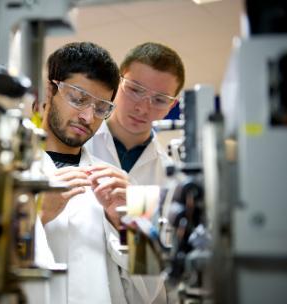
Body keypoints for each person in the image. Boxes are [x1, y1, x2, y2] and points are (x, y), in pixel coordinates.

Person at [84, 42, 186, 303]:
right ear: (118, 82)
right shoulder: (80, 150)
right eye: (135, 90)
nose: (143, 107)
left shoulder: (172, 177)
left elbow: (153, 282)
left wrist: (136, 216)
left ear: (172, 105)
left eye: (159, 100)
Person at [32, 41, 132, 304]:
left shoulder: (119, 179)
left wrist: (126, 227)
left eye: (101, 108)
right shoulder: (6, 171)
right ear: (49, 90)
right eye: (78, 99)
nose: (88, 117)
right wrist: (35, 217)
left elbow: (154, 288)